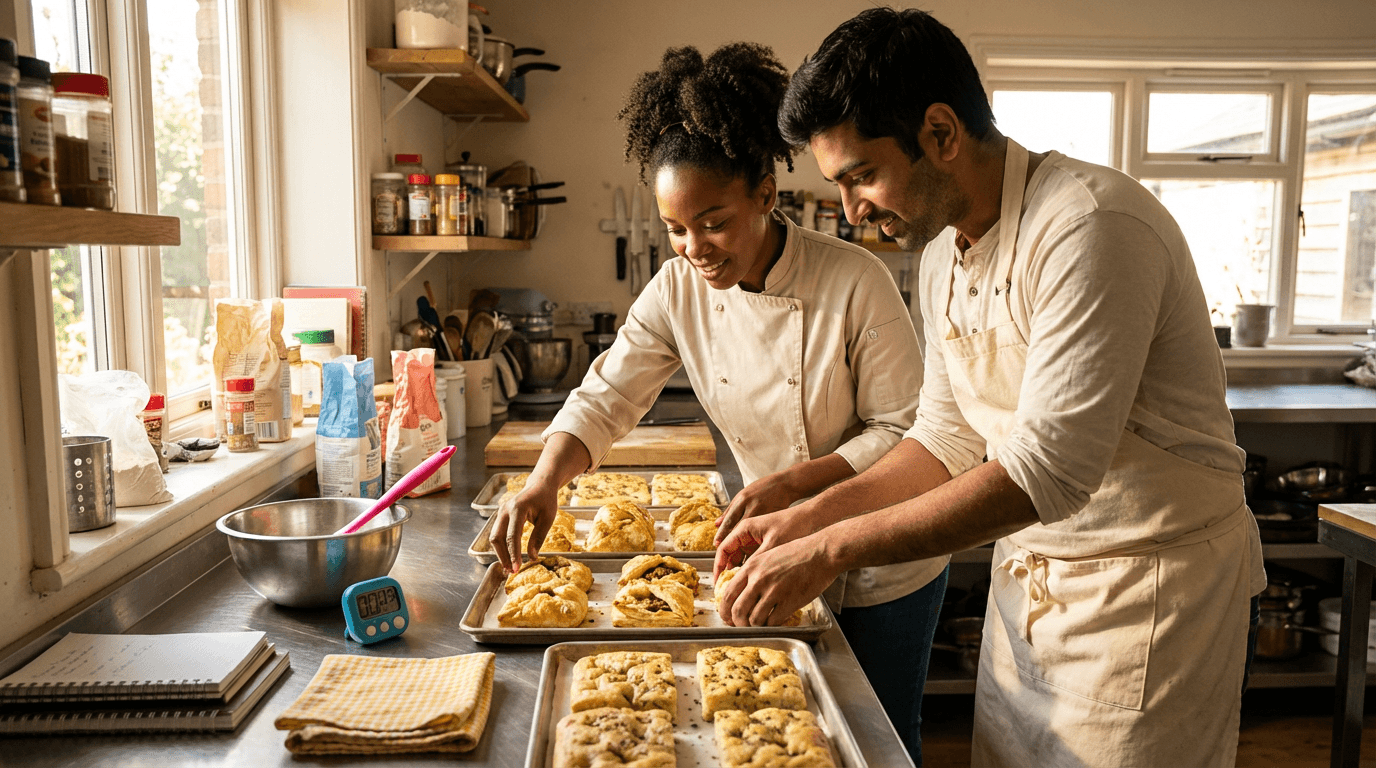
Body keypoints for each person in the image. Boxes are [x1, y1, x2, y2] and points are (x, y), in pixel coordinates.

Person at [713, 9, 1266, 767]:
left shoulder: (1090, 226)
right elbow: (942, 443)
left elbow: (1048, 472)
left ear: (941, 133)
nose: (851, 212)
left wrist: (830, 548)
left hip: (1146, 603)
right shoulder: (943, 257)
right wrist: (808, 518)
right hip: (1035, 595)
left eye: (862, 176)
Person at [488, 42, 948, 763]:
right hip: (776, 544)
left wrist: (801, 478)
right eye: (675, 228)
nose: (693, 247)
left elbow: (909, 428)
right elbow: (607, 395)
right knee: (781, 721)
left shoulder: (855, 280)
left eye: (713, 221)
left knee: (880, 739)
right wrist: (546, 478)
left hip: (885, 550)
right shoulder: (678, 290)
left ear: (765, 194)